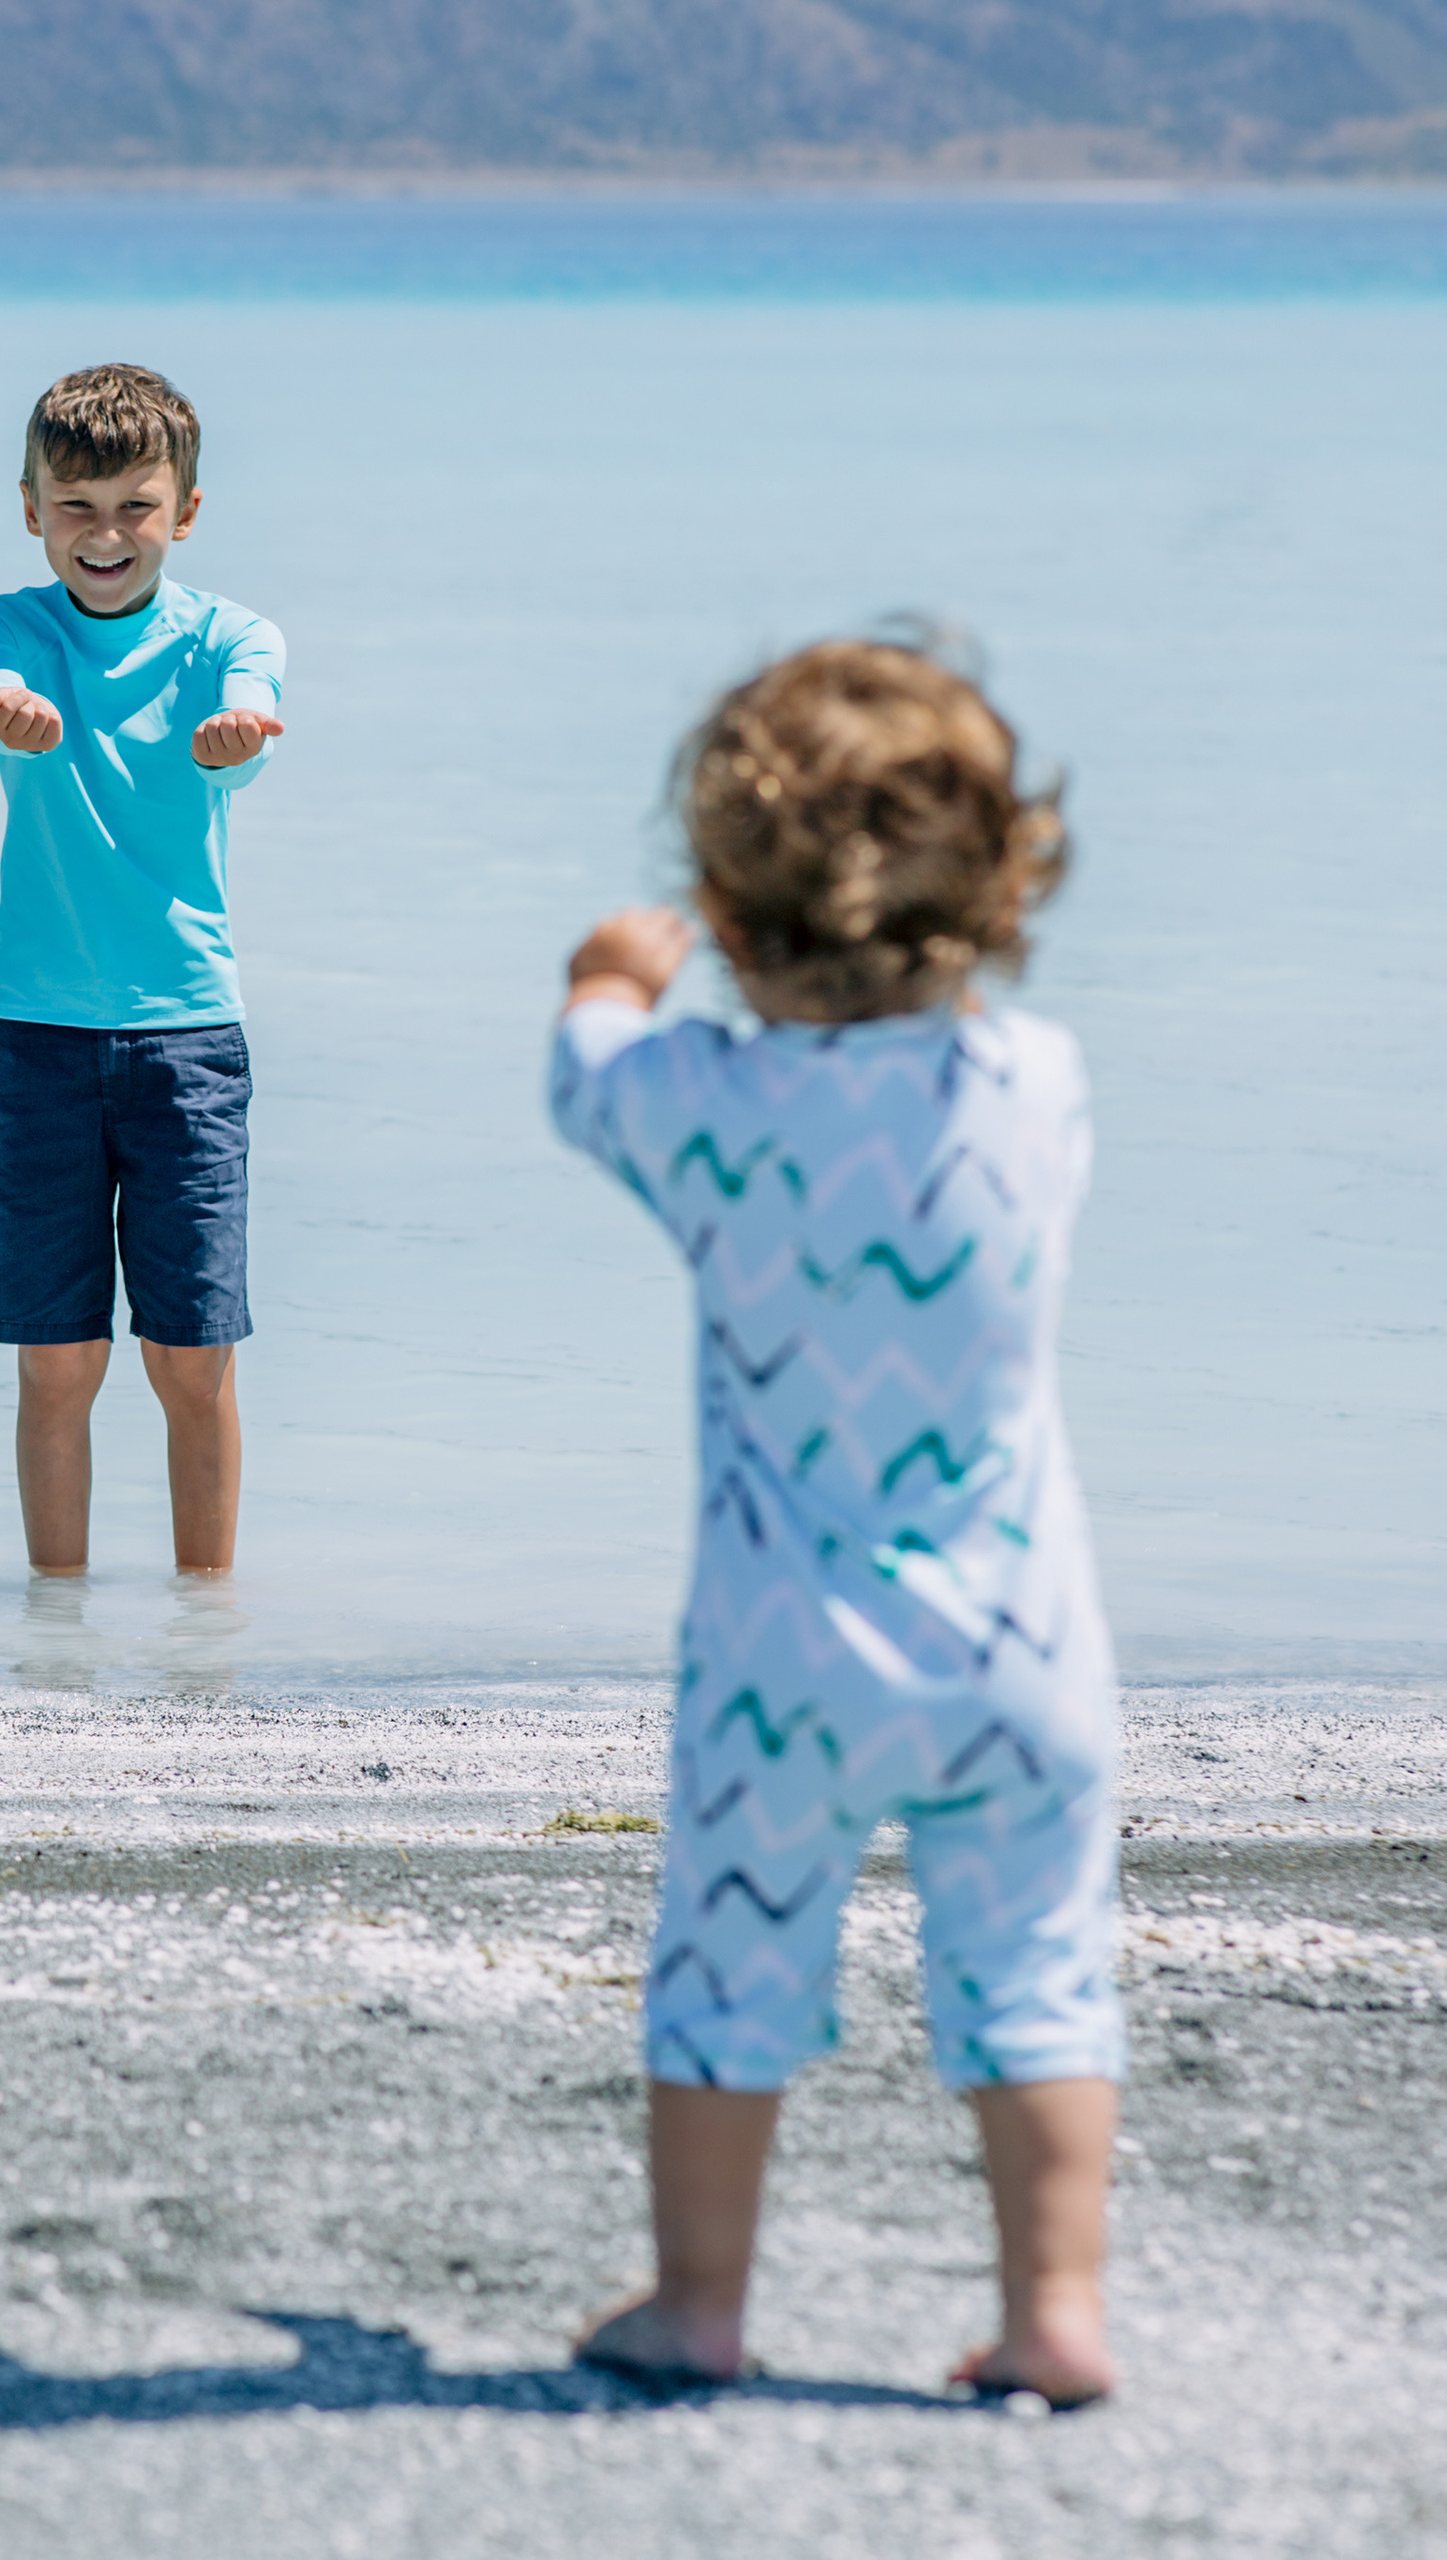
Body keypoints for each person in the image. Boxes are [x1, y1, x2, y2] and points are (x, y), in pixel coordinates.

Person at [549, 638, 1122, 2407]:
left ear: (725, 905)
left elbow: (586, 1083)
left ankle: (701, 2307)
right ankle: (1056, 2314)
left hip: (783, 1652)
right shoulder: (1038, 1088)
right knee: (1033, 1970)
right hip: (1025, 1642)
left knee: (731, 1962)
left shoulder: (699, 1107)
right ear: (1000, 887)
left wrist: (604, 981)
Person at [0, 363, 284, 1579]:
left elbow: (248, 724)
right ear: (31, 506)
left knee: (192, 1359)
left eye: (136, 507)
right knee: (58, 1362)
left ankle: (207, 1633)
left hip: (189, 1039)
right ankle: (59, 1635)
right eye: (77, 506)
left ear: (183, 513)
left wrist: (234, 740)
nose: (106, 536)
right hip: (36, 1037)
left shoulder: (232, 639)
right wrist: (13, 715)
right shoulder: (5, 632)